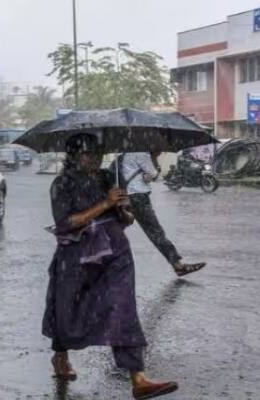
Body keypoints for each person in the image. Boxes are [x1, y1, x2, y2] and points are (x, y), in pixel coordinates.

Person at [43, 134, 178, 399]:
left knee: (123, 307)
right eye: (87, 153)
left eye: (97, 153)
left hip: (115, 252)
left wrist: (123, 207)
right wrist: (104, 204)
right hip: (76, 256)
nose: (93, 158)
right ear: (72, 155)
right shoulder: (61, 184)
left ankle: (137, 377)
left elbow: (126, 220)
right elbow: (65, 223)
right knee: (67, 309)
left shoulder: (107, 178)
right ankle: (60, 358)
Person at [120, 151, 206, 277]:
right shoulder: (142, 154)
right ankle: (177, 265)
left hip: (124, 197)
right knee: (156, 232)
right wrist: (154, 159)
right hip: (139, 197)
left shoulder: (124, 156)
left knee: (115, 230)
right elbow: (153, 175)